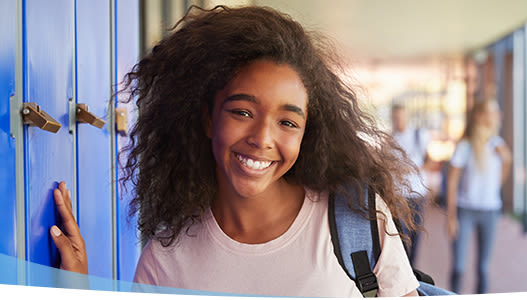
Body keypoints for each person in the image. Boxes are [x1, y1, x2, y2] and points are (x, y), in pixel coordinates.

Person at [49, 6, 422, 297]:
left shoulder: (356, 221)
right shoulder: (167, 260)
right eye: (242, 112)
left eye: (287, 122)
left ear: (307, 134)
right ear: (208, 119)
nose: (262, 138)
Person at [446, 99, 512, 294]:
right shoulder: (465, 146)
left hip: (490, 211)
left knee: (483, 268)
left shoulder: (498, 144)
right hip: (465, 210)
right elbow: (452, 182)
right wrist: (450, 217)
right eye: (493, 112)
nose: (497, 116)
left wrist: (506, 159)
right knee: (459, 267)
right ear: (480, 116)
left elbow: (505, 171)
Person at [391, 102, 430, 265]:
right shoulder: (390, 139)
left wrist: (414, 169)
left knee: (415, 234)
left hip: (416, 193)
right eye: (395, 117)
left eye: (401, 116)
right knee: (400, 234)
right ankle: (404, 267)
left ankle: (412, 269)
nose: (398, 120)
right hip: (398, 194)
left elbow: (430, 160)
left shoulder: (419, 135)